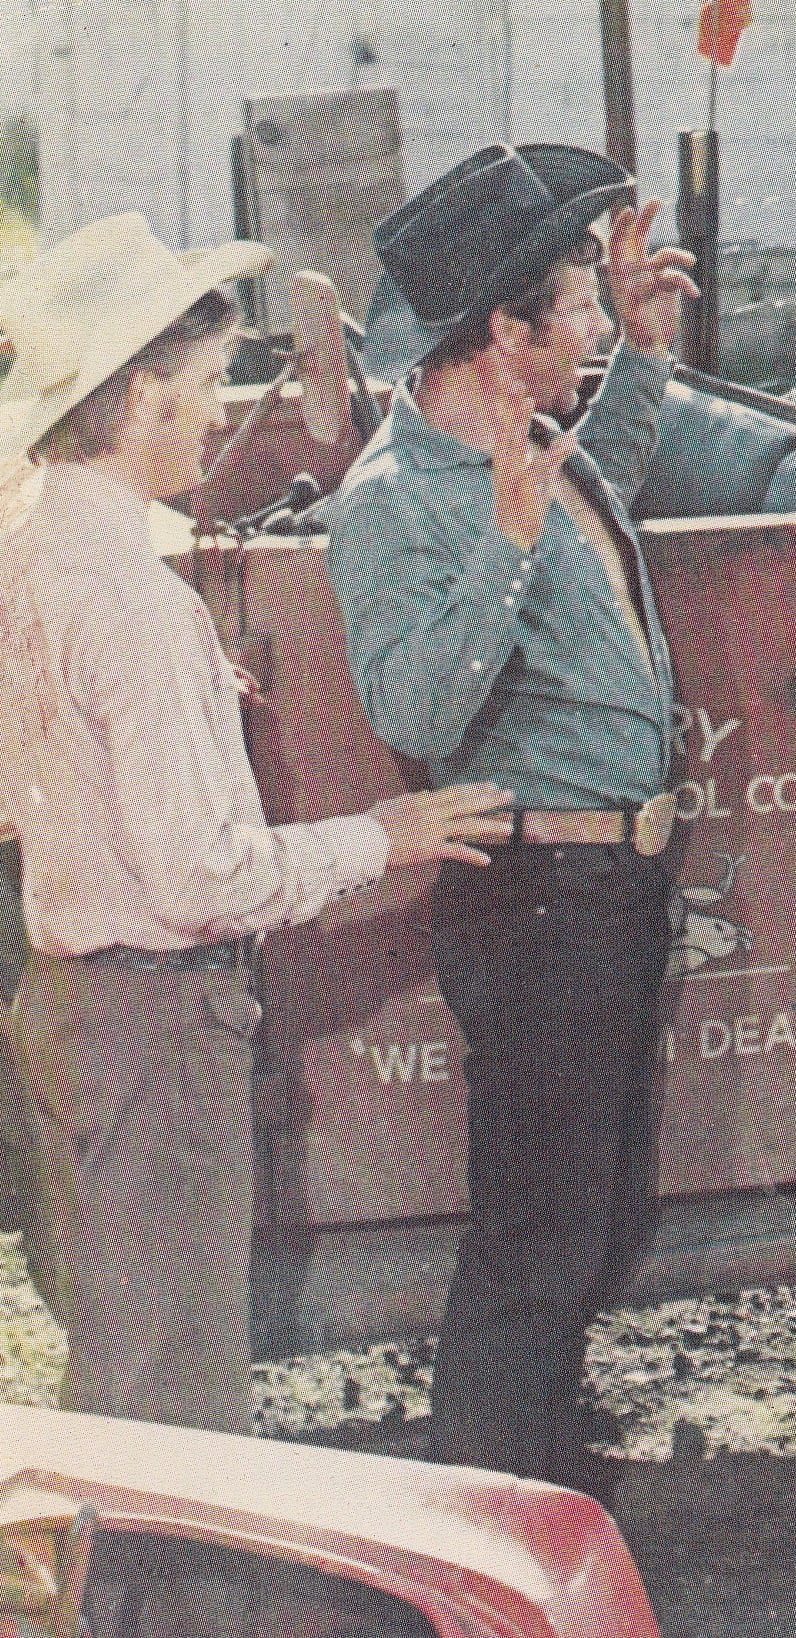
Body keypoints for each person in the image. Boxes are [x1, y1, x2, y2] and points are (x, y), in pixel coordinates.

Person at [0, 213, 509, 1433]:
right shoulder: (135, 605)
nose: (221, 411)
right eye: (203, 385)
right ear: (132, 403)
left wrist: (171, 720)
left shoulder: (30, 548)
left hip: (70, 1008)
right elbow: (201, 880)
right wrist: (383, 835)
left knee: (120, 1386)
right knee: (179, 1412)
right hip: (160, 1022)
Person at [324, 143, 698, 1485]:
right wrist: (506, 544)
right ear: (502, 328)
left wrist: (644, 357)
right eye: (584, 308)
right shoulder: (393, 507)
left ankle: (537, 1469)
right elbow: (416, 716)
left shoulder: (529, 447)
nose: (597, 328)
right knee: (539, 1236)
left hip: (609, 891)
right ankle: (486, 1518)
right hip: (538, 904)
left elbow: (602, 493)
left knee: (595, 1221)